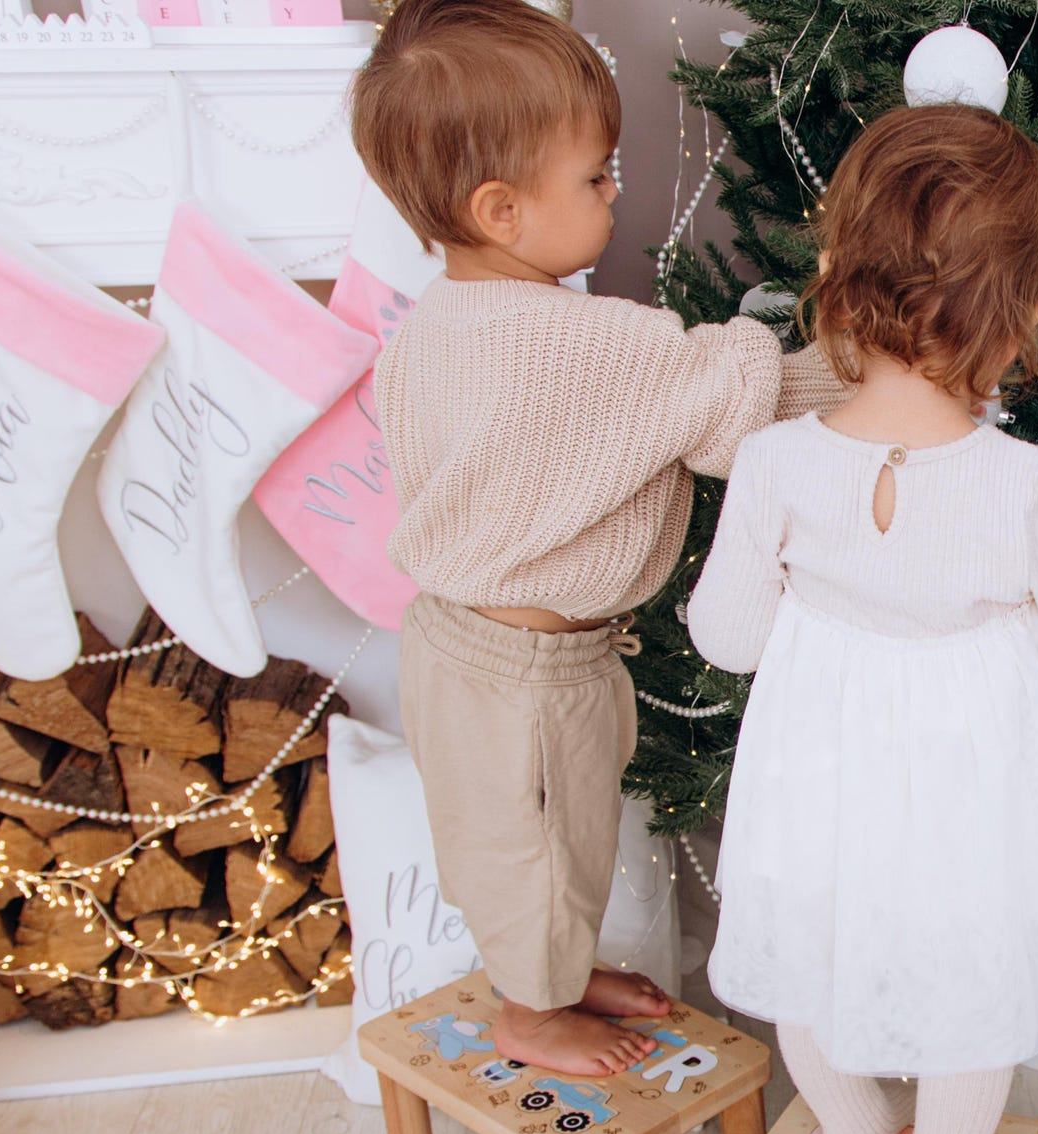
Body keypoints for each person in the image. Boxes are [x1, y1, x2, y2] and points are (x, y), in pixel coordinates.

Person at [687, 105, 1038, 1134]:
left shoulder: (773, 462)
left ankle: (856, 1123)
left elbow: (725, 636)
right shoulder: (1029, 483)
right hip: (977, 782)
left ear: (835, 273)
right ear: (1018, 309)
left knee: (813, 949)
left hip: (820, 772)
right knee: (969, 976)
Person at [351, 0, 846, 1076]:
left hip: (468, 647)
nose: (615, 195)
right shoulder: (585, 345)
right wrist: (872, 373)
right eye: (594, 178)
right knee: (538, 851)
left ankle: (553, 977)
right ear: (501, 209)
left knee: (532, 846)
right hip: (522, 673)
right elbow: (742, 395)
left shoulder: (429, 325)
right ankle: (529, 1012)